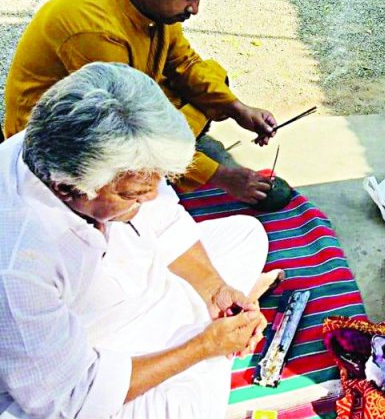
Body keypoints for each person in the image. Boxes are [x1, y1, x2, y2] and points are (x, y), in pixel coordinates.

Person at [0, 62, 283, 418]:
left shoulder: (69, 143)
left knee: (247, 235)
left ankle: (192, 324)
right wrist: (204, 347)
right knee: (191, 402)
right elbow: (68, 399)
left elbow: (165, 221)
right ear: (67, 187)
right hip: (83, 348)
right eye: (133, 194)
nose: (148, 200)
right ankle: (191, 345)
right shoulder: (17, 267)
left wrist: (215, 289)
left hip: (131, 291)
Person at [3, 0, 276, 204]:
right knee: (135, 165)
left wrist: (237, 109)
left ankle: (179, 154)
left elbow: (184, 63)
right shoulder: (94, 31)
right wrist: (222, 176)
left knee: (214, 77)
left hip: (123, 103)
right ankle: (175, 161)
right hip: (58, 144)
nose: (194, 9)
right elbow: (122, 129)